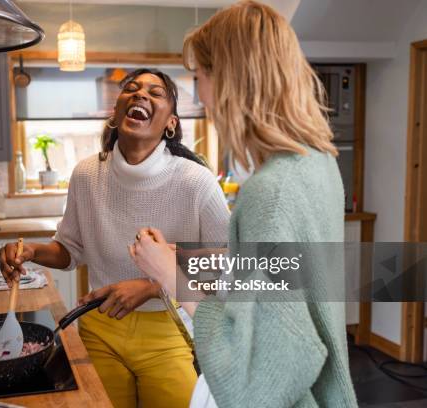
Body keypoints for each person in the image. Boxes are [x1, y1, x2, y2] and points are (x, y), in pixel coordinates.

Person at [130, 2, 358, 408]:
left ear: (230, 80)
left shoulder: (270, 193)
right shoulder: (320, 162)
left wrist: (171, 277)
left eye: (199, 76)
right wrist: (179, 260)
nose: (198, 94)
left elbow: (257, 378)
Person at [0, 68, 230, 408]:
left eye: (156, 93)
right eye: (132, 89)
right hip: (99, 328)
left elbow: (226, 262)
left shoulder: (196, 181)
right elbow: (70, 249)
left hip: (167, 333)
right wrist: (32, 251)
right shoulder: (87, 174)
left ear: (171, 123)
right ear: (115, 111)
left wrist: (152, 286)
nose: (140, 95)